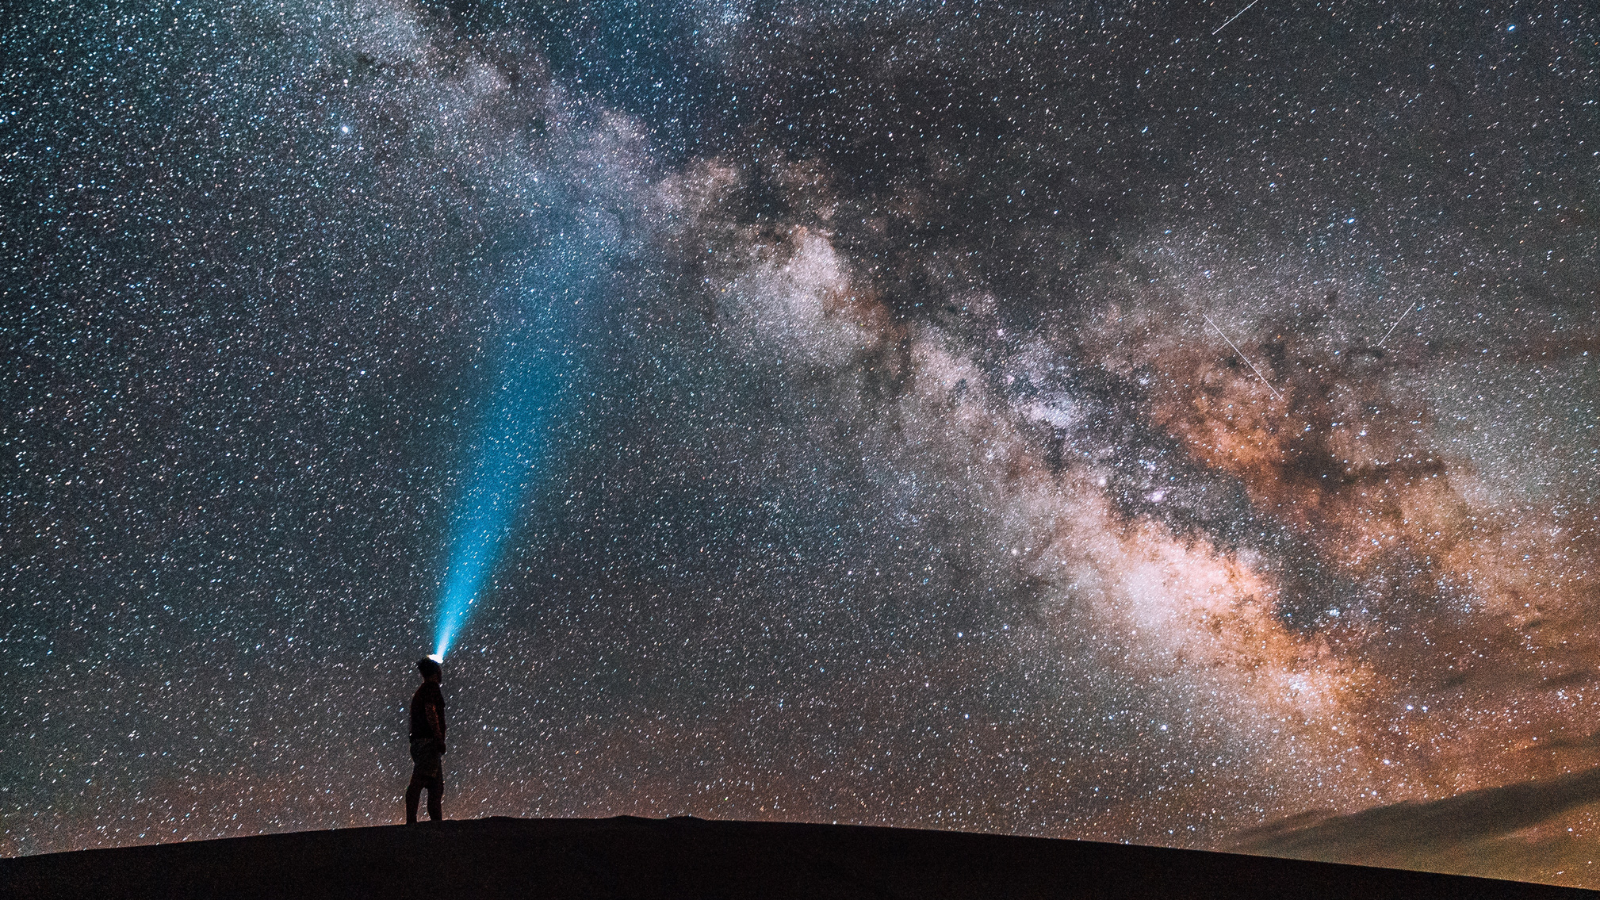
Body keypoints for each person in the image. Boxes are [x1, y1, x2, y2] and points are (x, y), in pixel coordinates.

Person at [405, 657, 447, 823]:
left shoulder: (421, 691)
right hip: (428, 743)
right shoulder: (431, 689)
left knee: (436, 787)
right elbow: (431, 711)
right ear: (436, 672)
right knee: (420, 780)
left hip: (422, 743)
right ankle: (411, 824)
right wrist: (438, 737)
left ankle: (437, 824)